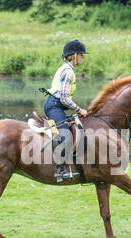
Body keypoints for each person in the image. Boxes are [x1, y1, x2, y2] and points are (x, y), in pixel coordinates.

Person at [44, 39, 89, 183]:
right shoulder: (68, 72)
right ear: (74, 56)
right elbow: (64, 98)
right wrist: (79, 109)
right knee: (65, 135)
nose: (83, 57)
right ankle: (60, 171)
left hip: (56, 104)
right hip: (56, 105)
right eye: (81, 55)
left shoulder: (66, 69)